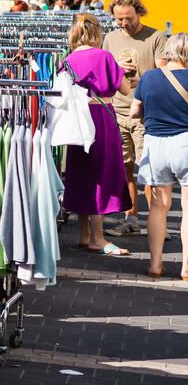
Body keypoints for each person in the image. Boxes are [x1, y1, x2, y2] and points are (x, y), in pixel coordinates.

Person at [62, 14, 131, 255]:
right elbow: (124, 89)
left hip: (75, 120)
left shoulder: (67, 60)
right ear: (96, 33)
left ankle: (84, 235)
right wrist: (122, 71)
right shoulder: (105, 56)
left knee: (81, 173)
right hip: (100, 117)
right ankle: (98, 238)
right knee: (100, 174)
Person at [104, 0, 168, 237]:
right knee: (125, 167)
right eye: (119, 19)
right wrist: (117, 72)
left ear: (139, 12)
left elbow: (162, 75)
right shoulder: (110, 38)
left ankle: (157, 224)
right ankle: (131, 219)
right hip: (117, 111)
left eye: (128, 18)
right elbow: (105, 73)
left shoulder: (156, 37)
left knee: (150, 170)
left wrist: (137, 80)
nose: (123, 23)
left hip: (144, 114)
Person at [130, 33, 188, 278]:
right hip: (185, 142)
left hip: (156, 145)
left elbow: (134, 112)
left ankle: (155, 265)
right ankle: (186, 267)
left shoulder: (150, 77)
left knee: (158, 206)